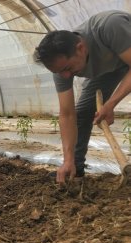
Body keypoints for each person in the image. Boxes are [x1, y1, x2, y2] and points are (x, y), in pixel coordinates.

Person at [34, 10, 131, 184]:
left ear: (81, 48)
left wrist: (111, 104)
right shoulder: (61, 69)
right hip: (111, 67)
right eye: (58, 72)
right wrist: (67, 160)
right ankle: (75, 169)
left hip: (125, 50)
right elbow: (67, 114)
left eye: (67, 69)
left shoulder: (109, 26)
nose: (65, 76)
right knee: (83, 112)